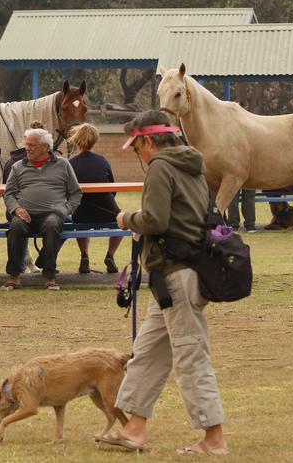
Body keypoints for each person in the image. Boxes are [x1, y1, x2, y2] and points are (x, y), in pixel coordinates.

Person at [107, 110, 229, 456]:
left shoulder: (161, 165)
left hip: (177, 275)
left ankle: (214, 439)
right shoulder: (193, 165)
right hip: (176, 275)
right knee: (147, 353)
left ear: (148, 141)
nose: (138, 156)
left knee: (191, 356)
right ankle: (134, 430)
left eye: (136, 148)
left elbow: (156, 219)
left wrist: (127, 218)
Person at [1, 126, 82, 291]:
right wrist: (17, 209)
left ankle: (50, 277)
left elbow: (76, 194)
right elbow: (8, 194)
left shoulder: (63, 165)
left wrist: (65, 210)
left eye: (32, 145)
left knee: (52, 226)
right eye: (27, 144)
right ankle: (14, 276)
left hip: (54, 213)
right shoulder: (18, 166)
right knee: (15, 227)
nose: (27, 148)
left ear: (46, 148)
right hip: (25, 214)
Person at [68, 123, 122, 274]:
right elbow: (112, 187)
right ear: (95, 141)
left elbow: (68, 190)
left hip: (82, 213)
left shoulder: (70, 163)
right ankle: (110, 255)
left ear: (76, 141)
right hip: (107, 210)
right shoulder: (102, 160)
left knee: (78, 220)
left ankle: (84, 255)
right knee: (122, 219)